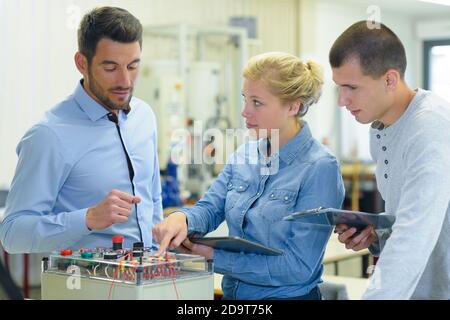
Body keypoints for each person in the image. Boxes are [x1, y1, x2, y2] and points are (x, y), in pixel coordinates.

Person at [153, 52, 345, 300]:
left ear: (293, 106)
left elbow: (297, 267)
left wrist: (214, 257)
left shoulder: (320, 168)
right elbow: (210, 208)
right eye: (245, 99)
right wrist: (182, 219)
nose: (245, 112)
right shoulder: (244, 154)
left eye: (257, 102)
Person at [0, 7, 163, 253]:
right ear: (82, 63)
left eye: (132, 66)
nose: (125, 82)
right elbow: (12, 234)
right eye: (110, 68)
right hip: (84, 286)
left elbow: (153, 202)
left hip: (149, 282)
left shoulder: (145, 117)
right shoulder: (49, 135)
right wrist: (87, 219)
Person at [329, 21, 450, 299]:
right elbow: (408, 216)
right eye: (339, 86)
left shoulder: (431, 128)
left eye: (351, 87)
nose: (342, 100)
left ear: (390, 80)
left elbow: (413, 237)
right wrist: (378, 234)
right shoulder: (381, 129)